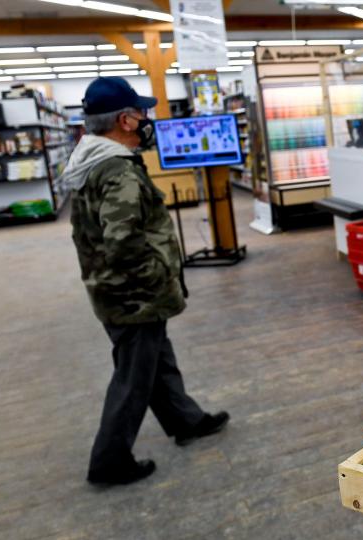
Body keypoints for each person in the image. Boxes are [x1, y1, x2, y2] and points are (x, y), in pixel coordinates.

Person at [59, 77, 229, 486]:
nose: (148, 119)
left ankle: (186, 421)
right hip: (133, 295)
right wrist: (157, 278)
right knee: (134, 375)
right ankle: (110, 460)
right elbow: (122, 240)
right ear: (125, 120)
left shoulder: (89, 159)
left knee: (155, 360)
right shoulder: (117, 169)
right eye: (142, 112)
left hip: (115, 290)